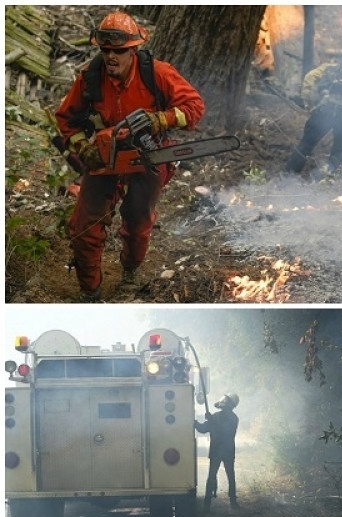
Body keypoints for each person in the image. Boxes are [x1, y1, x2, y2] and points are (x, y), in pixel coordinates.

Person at [55, 11, 205, 301]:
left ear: (133, 49)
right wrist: (82, 148)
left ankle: (130, 273)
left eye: (119, 51)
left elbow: (194, 107)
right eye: (106, 50)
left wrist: (160, 120)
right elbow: (66, 120)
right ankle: (90, 289)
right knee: (84, 225)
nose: (112, 57)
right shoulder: (90, 77)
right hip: (105, 158)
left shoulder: (157, 73)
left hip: (148, 156)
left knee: (137, 222)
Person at [285, 56, 342, 177]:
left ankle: (289, 175)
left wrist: (308, 103)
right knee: (339, 150)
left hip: (325, 112)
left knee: (307, 143)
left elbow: (310, 78)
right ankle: (327, 178)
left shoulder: (330, 68)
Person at [195, 393, 241, 511]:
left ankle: (233, 501)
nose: (223, 403)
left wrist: (212, 421)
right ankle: (207, 504)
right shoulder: (215, 417)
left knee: (230, 476)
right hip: (218, 450)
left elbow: (226, 432)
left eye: (226, 402)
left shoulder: (233, 418)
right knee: (211, 476)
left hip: (226, 451)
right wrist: (194, 422)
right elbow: (203, 429)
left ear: (231, 405)